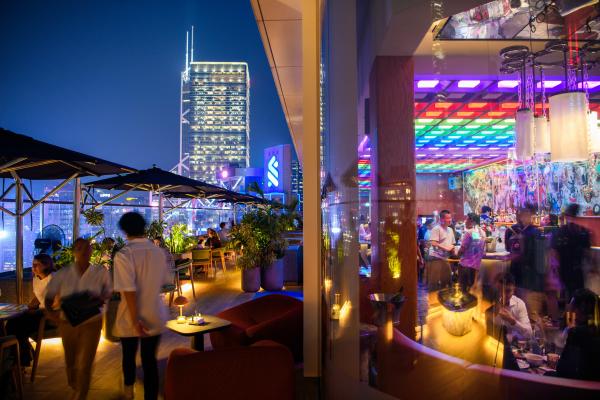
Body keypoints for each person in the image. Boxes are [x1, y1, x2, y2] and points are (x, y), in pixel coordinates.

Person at [44, 238, 112, 400]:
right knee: (71, 361)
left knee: (86, 363)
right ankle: (74, 384)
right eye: (80, 248)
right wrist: (50, 312)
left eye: (87, 248)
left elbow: (109, 291)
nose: (84, 251)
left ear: (91, 251)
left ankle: (81, 395)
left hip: (92, 321)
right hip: (68, 322)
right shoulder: (63, 273)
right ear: (74, 251)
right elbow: (49, 296)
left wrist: (100, 297)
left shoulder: (100, 271)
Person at [113, 212, 172, 400]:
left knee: (129, 357)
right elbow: (164, 281)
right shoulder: (158, 252)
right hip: (155, 312)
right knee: (150, 362)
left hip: (131, 316)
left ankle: (129, 393)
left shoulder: (124, 254)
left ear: (124, 230)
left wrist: (135, 318)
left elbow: (128, 290)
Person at [6, 254, 55, 367]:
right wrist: (27, 307)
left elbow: (58, 301)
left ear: (46, 265)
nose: (33, 267)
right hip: (40, 312)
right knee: (12, 323)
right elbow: (38, 296)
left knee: (17, 325)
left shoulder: (53, 278)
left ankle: (20, 360)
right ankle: (20, 358)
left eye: (36, 265)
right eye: (33, 264)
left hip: (49, 315)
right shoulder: (36, 279)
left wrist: (36, 311)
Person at [506, 206, 545, 322]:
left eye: (520, 214)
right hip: (528, 280)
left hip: (528, 281)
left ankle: (536, 338)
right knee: (526, 314)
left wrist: (513, 255)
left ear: (526, 216)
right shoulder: (529, 232)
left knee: (530, 315)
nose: (518, 217)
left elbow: (527, 256)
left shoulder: (530, 233)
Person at [556, 289, 600, 381]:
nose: (570, 310)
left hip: (575, 391)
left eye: (572, 306)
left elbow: (562, 370)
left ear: (580, 308)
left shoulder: (576, 333)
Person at [551, 204, 592, 303]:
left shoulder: (581, 232)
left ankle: (571, 315)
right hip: (569, 271)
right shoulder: (581, 232)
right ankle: (571, 315)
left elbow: (554, 253)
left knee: (574, 298)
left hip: (572, 271)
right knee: (573, 298)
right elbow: (554, 253)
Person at [489, 272, 533, 340]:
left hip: (513, 346)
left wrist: (512, 321)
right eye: (499, 291)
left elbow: (529, 334)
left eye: (508, 291)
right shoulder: (487, 303)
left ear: (513, 290)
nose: (503, 295)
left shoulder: (519, 304)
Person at [426, 210, 455, 290]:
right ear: (442, 219)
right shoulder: (436, 229)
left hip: (444, 258)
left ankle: (443, 299)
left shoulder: (450, 230)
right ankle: (432, 300)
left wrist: (452, 248)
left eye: (450, 218)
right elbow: (433, 243)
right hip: (435, 258)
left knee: (447, 280)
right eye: (448, 218)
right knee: (434, 283)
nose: (450, 220)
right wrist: (445, 248)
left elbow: (452, 243)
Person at [457, 213, 486, 292]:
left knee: (463, 291)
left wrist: (457, 254)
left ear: (471, 221)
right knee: (471, 291)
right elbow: (481, 249)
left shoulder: (469, 232)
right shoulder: (482, 233)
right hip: (475, 268)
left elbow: (462, 249)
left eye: (466, 219)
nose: (465, 222)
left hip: (465, 266)